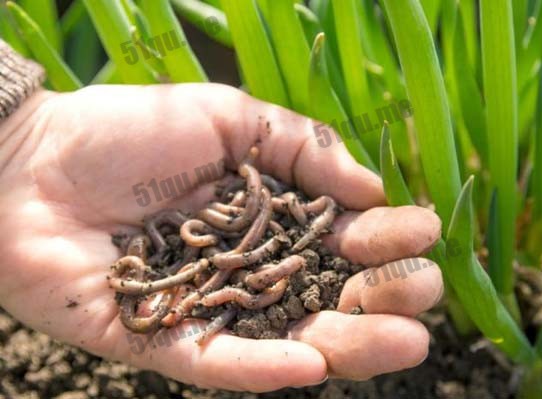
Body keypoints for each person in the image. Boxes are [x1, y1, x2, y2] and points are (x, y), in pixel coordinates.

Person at [0, 40, 444, 392]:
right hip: (221, 261)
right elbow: (216, 257)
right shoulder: (199, 247)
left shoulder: (258, 226)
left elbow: (246, 254)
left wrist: (19, 136)